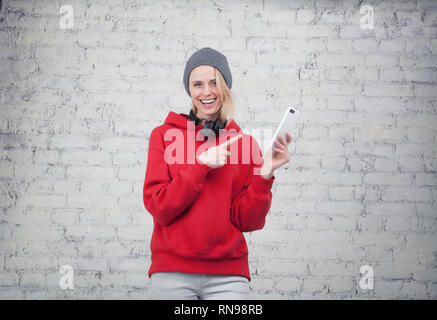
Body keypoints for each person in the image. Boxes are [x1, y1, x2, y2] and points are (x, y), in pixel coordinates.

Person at [143, 47, 292, 300]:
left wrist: (264, 175)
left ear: (225, 86)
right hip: (171, 273)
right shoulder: (164, 136)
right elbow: (160, 207)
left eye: (214, 82)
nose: (206, 92)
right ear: (189, 90)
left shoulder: (245, 144)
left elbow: (249, 222)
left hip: (229, 278)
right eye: (197, 84)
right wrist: (200, 166)